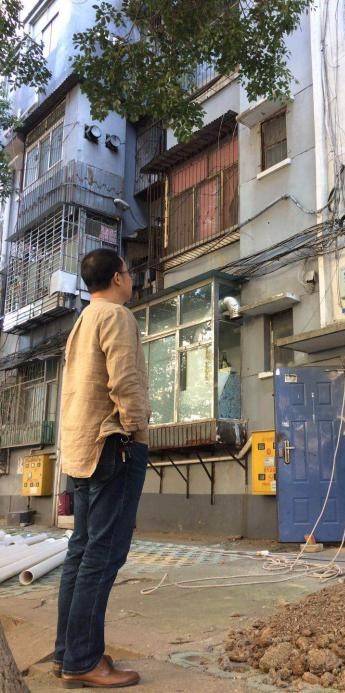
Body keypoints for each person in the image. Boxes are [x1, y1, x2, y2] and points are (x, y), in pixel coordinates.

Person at [54, 248, 150, 688]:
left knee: (81, 552)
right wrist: (134, 428)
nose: (131, 279)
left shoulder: (82, 320)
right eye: (128, 272)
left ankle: (68, 654)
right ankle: (84, 661)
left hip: (81, 448)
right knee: (103, 554)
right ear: (117, 278)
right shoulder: (116, 316)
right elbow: (124, 380)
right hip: (113, 446)